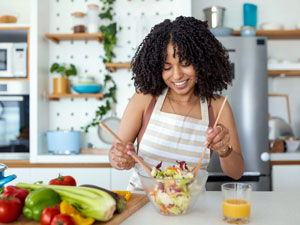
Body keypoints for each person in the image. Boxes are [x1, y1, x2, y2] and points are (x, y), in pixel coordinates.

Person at [109, 16, 244, 191]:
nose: (177, 75)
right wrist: (118, 159)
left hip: (190, 207)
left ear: (202, 61)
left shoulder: (217, 106)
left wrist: (224, 150)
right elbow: (116, 153)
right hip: (142, 204)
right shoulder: (145, 98)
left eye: (185, 63)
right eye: (167, 67)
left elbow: (237, 172)